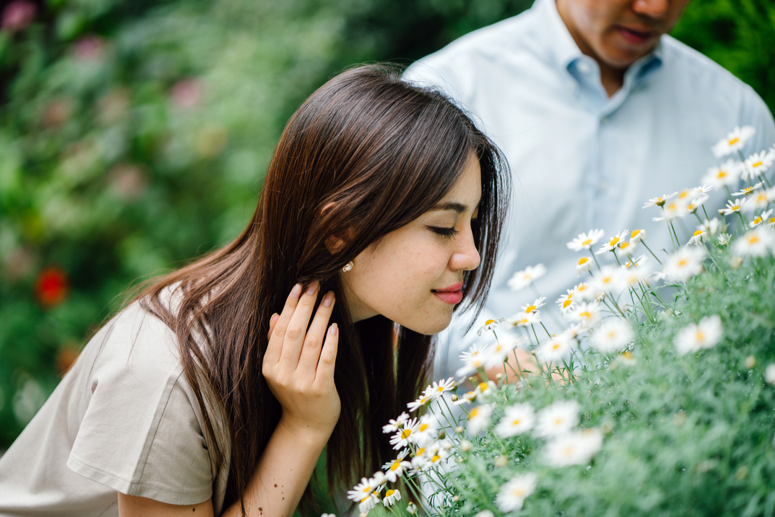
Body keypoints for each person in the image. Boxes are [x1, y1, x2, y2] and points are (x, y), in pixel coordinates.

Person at [0, 65, 510, 517]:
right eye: (443, 228)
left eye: (473, 221)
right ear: (342, 231)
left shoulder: (332, 335)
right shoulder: (167, 373)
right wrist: (304, 429)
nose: (471, 255)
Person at [403, 0, 775, 380]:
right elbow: (400, 291)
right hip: (484, 426)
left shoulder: (737, 115)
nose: (654, 7)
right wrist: (500, 363)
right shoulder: (447, 89)